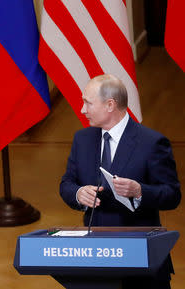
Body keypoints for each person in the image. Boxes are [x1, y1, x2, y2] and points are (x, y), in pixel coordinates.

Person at [60, 74, 181, 288]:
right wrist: (79, 193)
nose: (82, 110)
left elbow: (172, 195)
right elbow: (67, 184)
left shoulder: (152, 142)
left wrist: (140, 191)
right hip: (95, 260)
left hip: (142, 262)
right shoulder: (82, 139)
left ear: (110, 105)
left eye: (88, 103)